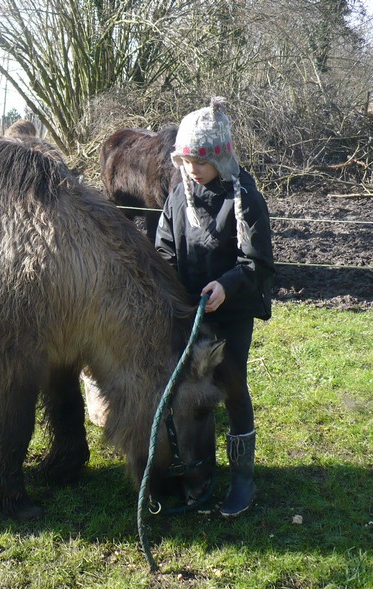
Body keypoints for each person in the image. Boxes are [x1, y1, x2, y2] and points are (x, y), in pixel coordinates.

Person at [154, 97, 275, 518]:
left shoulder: (244, 200)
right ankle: (190, 467)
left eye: (199, 162)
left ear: (220, 158)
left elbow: (258, 263)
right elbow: (165, 249)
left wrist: (225, 286)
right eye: (185, 161)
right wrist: (166, 287)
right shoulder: (175, 198)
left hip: (231, 312)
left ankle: (243, 477)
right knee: (181, 390)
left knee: (231, 385)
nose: (191, 170)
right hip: (186, 312)